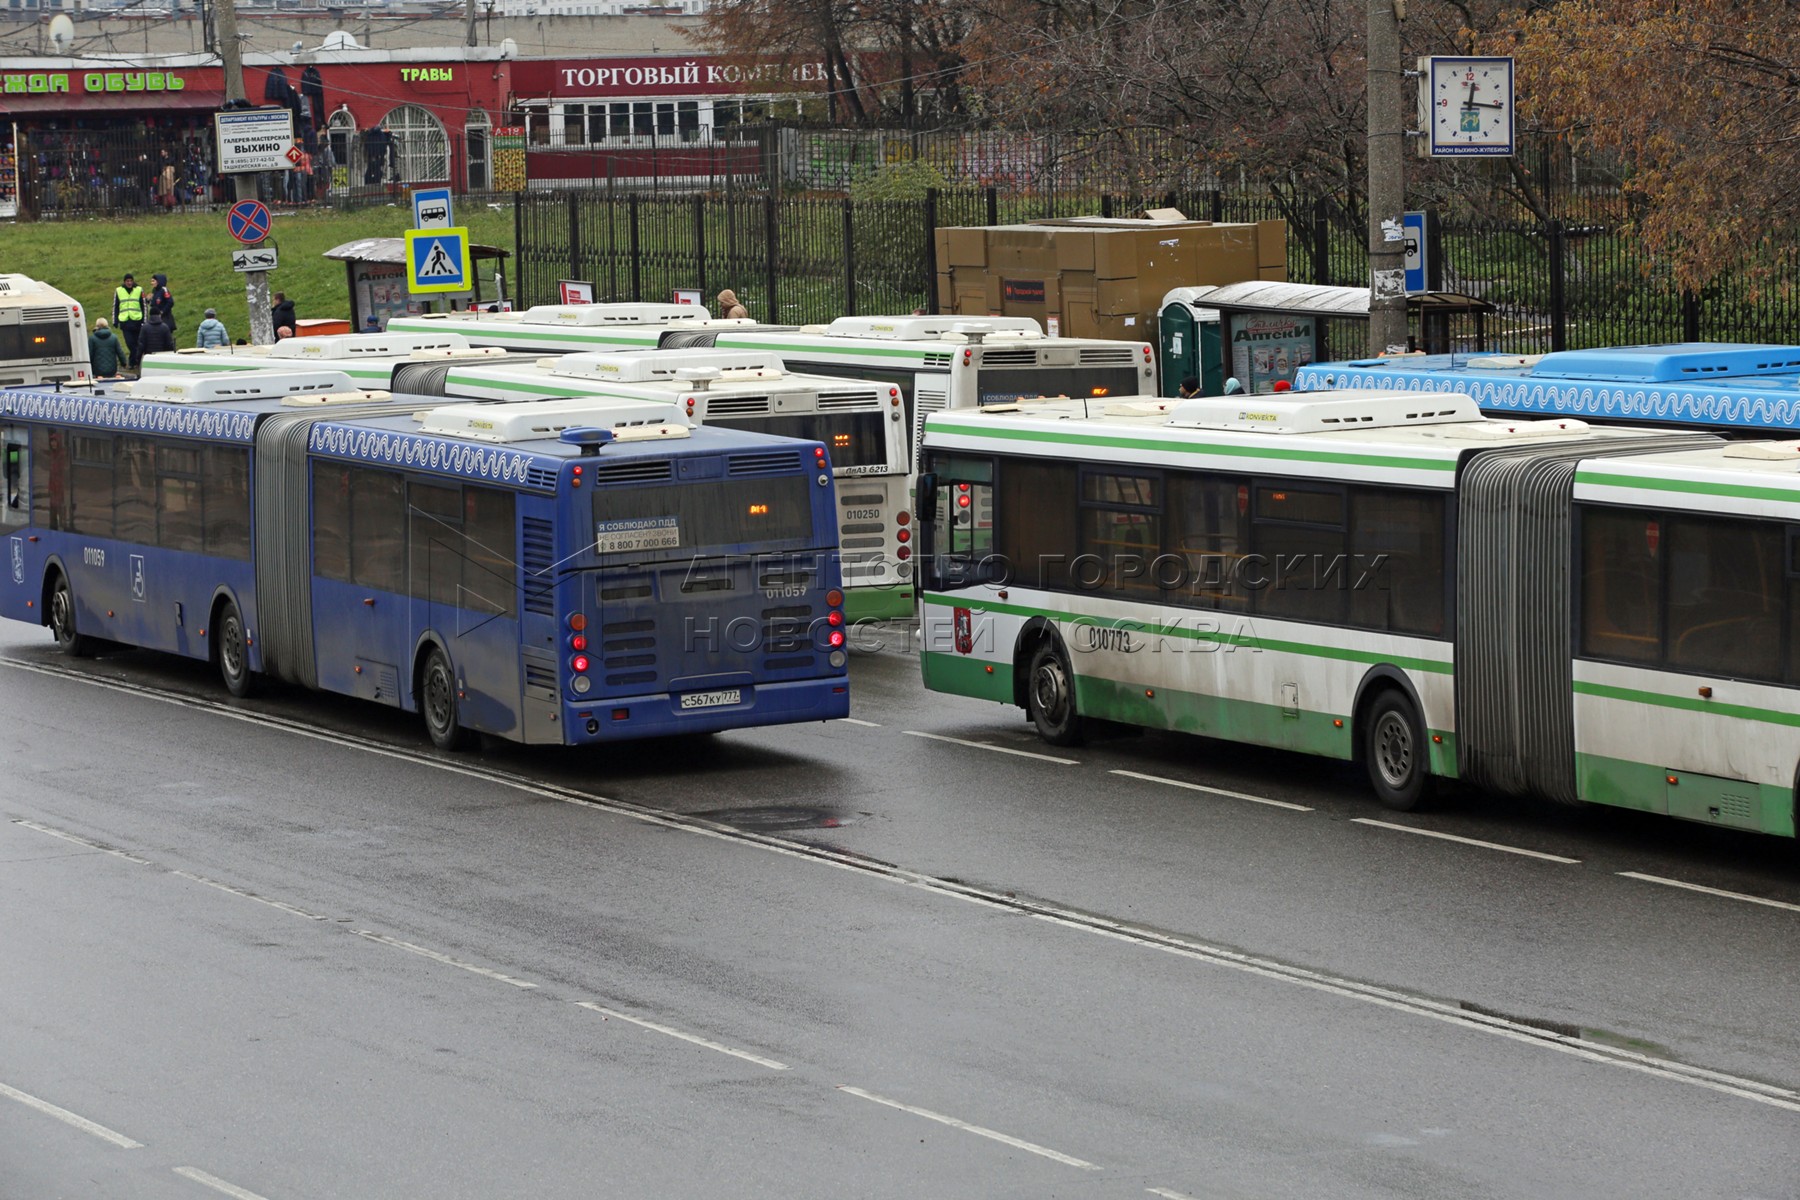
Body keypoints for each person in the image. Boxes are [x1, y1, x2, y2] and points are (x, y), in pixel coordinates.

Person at [113, 272, 145, 368]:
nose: (129, 283)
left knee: (137, 343)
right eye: (127, 281)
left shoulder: (139, 289)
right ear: (124, 282)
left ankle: (133, 363)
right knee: (130, 343)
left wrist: (144, 320)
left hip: (137, 320)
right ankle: (135, 361)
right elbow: (116, 306)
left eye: (131, 281)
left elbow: (144, 306)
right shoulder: (118, 290)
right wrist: (115, 320)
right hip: (125, 321)